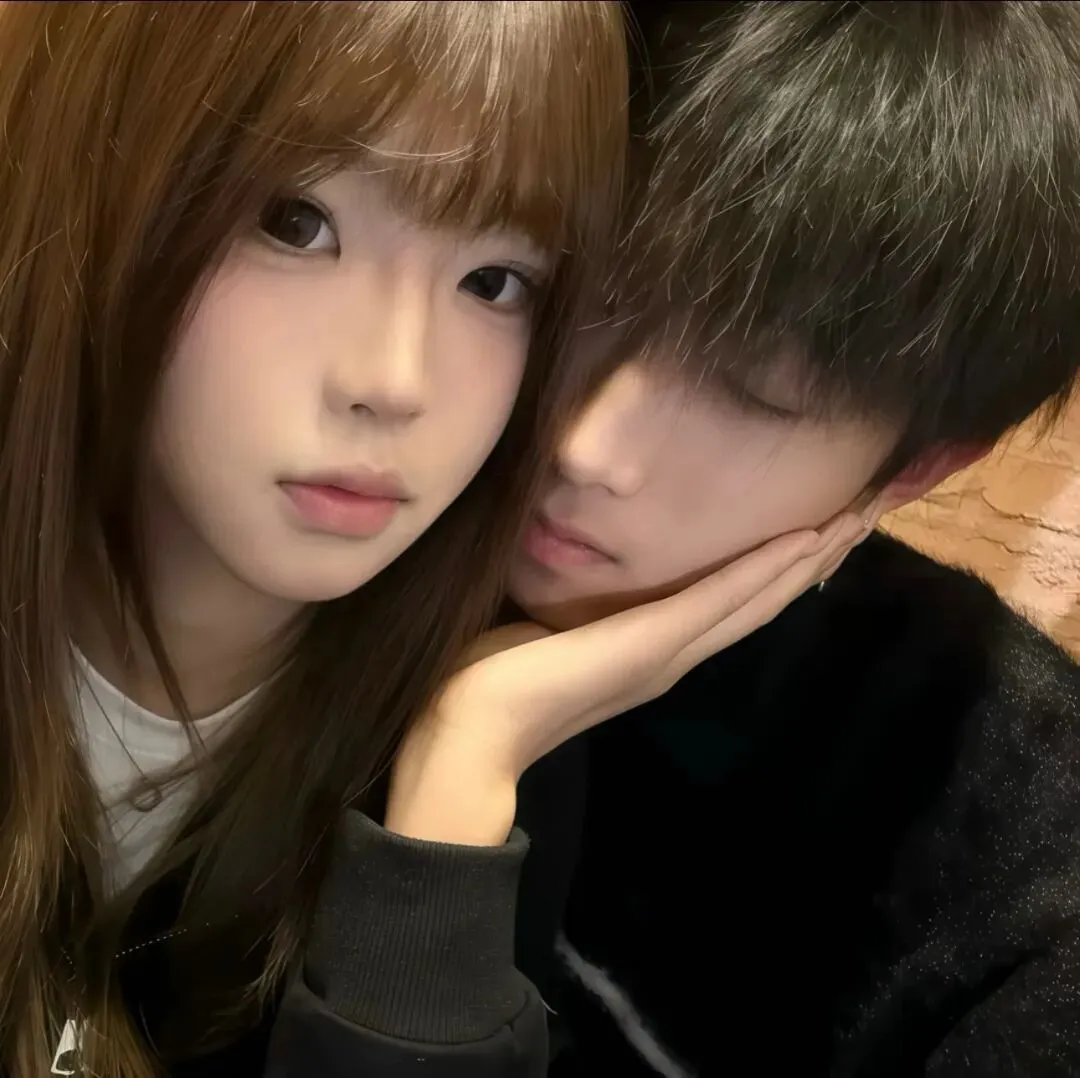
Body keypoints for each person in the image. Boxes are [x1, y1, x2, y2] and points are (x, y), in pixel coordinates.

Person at [0, 2, 638, 1075]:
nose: (394, 380)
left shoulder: (499, 751)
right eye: (295, 222)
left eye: (495, 281)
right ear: (100, 177)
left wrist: (446, 819)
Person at [500, 2, 1080, 1075]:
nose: (584, 444)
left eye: (754, 392)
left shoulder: (1025, 881)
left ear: (921, 465)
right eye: (594, 296)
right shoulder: (386, 515)